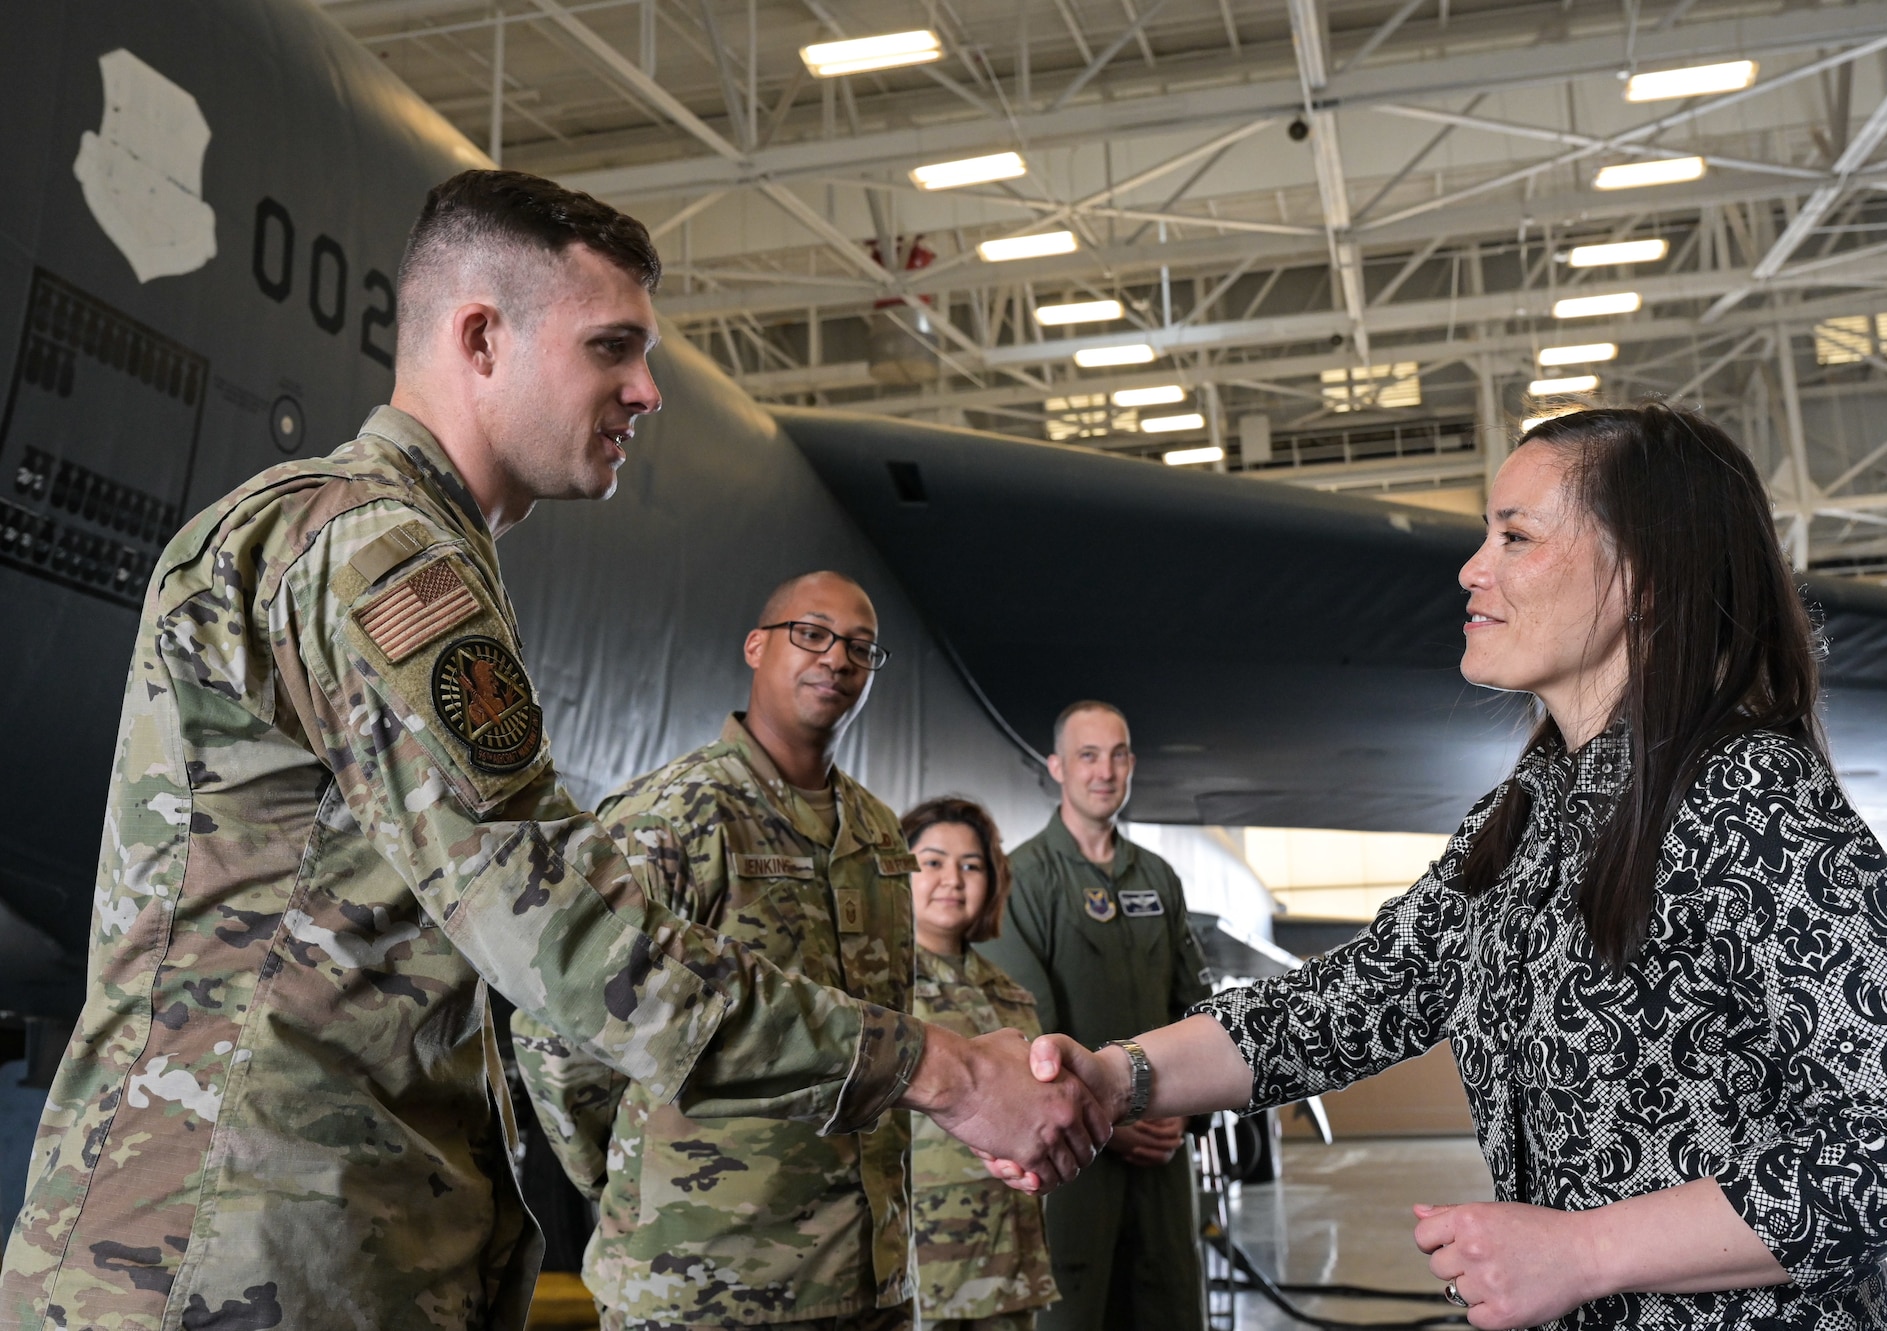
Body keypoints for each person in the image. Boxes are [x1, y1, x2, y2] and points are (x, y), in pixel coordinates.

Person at [0, 171, 1106, 1331]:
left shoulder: (389, 549)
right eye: (611, 348)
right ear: (481, 337)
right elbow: (577, 939)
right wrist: (942, 1069)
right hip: (233, 1262)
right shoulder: (379, 554)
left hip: (292, 1248)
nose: (646, 390)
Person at [1012, 404, 1887, 1331]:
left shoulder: (1748, 798)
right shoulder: (1518, 821)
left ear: (1641, 574)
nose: (1472, 569)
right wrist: (1116, 1075)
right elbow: (1341, 1005)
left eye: (1514, 536)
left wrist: (1587, 1249)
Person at [513, 570, 923, 1330]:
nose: (837, 659)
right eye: (812, 634)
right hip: (703, 1276)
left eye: (861, 648)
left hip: (867, 1274)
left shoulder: (879, 834)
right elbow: (555, 1030)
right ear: (756, 645)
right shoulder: (671, 816)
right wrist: (629, 1173)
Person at [979, 703, 1213, 1331]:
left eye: (1117, 754)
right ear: (1056, 766)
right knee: (1075, 1309)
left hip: (1162, 1145)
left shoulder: (1158, 879)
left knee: (1169, 1301)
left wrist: (1184, 1106)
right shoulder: (1022, 880)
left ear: (1132, 764)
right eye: (1087, 755)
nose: (1104, 771)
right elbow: (1027, 1030)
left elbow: (1196, 1004)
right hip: (1072, 1158)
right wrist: (1106, 1118)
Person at [901, 796, 1060, 1331]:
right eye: (932, 862)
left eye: (971, 865)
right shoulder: (875, 988)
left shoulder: (1010, 995)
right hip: (918, 1267)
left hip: (1009, 1259)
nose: (953, 879)